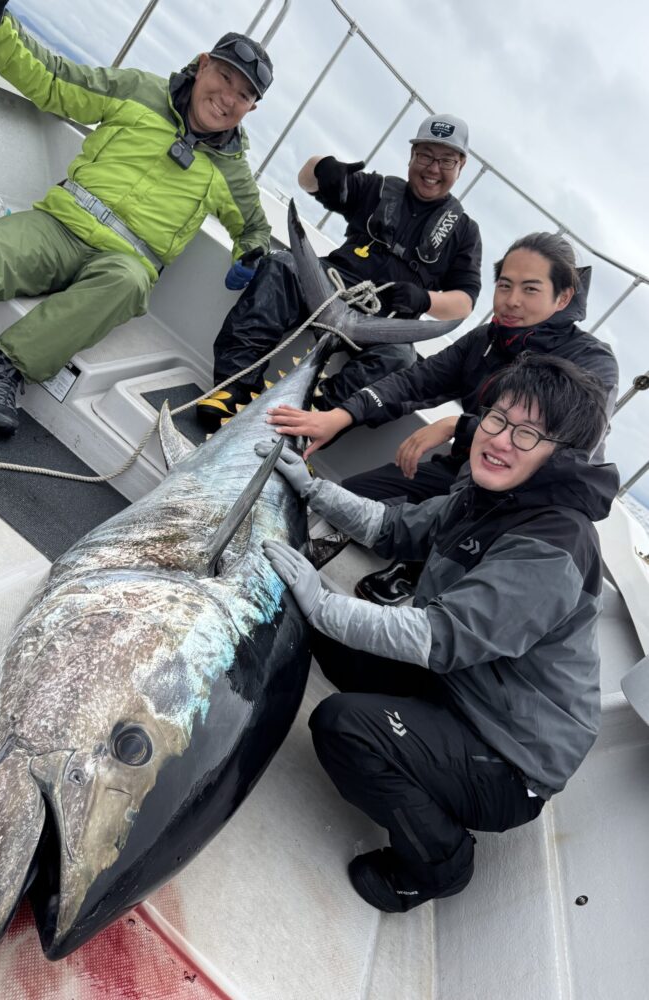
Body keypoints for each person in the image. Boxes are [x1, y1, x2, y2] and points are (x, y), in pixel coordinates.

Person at [258, 352, 618, 914]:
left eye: (528, 434)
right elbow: (393, 527)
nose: (500, 440)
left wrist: (324, 604)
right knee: (329, 632)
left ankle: (438, 865)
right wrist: (312, 488)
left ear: (561, 456)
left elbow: (442, 637)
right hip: (462, 690)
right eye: (498, 419)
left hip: (509, 757)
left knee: (344, 725)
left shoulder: (555, 543)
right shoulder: (491, 498)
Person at [0, 0, 272, 434]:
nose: (228, 98)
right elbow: (56, 81)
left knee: (131, 283)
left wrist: (251, 254)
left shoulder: (234, 173)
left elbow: (254, 228)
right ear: (203, 64)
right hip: (61, 225)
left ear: (251, 109)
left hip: (122, 264)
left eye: (244, 95)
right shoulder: (140, 90)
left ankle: (3, 370)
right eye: (225, 77)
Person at [266, 232, 619, 603]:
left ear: (563, 297)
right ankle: (420, 548)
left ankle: (420, 568)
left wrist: (457, 425)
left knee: (441, 544)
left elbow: (568, 452)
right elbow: (416, 381)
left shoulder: (593, 363)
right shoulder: (486, 339)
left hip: (527, 505)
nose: (512, 300)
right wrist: (342, 414)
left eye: (530, 289)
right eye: (505, 285)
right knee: (348, 498)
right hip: (466, 474)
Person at [196, 113, 482, 428]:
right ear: (412, 155)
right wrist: (322, 166)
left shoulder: (464, 232)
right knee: (281, 265)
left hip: (383, 323)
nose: (433, 169)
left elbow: (464, 303)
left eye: (446, 160)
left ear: (461, 165)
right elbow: (307, 180)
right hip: (327, 290)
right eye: (425, 155)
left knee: (400, 359)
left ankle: (306, 421)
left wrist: (423, 299)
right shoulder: (377, 189)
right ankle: (234, 387)